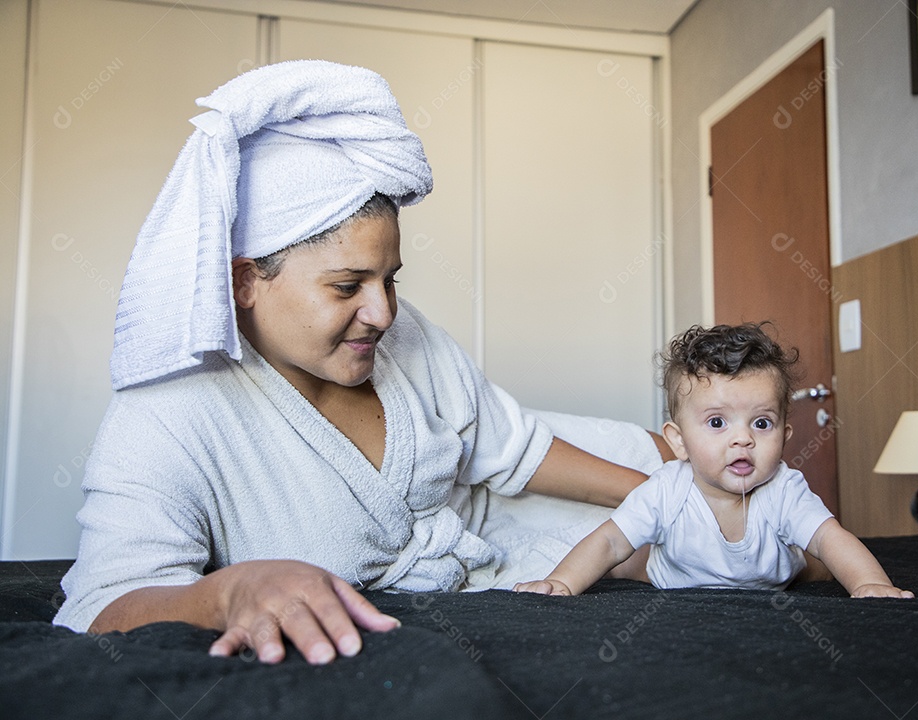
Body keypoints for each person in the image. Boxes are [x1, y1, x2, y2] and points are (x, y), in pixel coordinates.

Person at [53, 60, 669, 665]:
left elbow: (514, 449)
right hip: (501, 564)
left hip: (499, 511)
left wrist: (663, 496)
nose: (383, 313)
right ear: (245, 281)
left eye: (390, 279)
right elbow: (103, 600)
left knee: (709, 465)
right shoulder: (167, 413)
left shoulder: (404, 339)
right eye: (347, 286)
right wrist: (226, 592)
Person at [514, 323, 915, 599]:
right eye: (718, 422)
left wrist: (869, 583)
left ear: (784, 437)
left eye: (761, 422)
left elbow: (832, 537)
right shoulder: (666, 490)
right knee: (622, 558)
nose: (742, 438)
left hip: (770, 575)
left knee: (820, 562)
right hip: (671, 574)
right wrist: (561, 583)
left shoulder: (784, 488)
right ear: (679, 441)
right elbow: (610, 540)